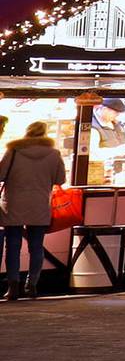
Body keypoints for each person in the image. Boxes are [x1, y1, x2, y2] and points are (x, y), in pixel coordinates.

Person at [0, 119, 68, 300]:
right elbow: (60, 179)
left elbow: (0, 174)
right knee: (36, 246)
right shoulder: (54, 154)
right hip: (39, 205)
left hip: (13, 204)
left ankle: (13, 286)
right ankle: (32, 285)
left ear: (27, 133)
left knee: (12, 246)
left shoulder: (14, 151)